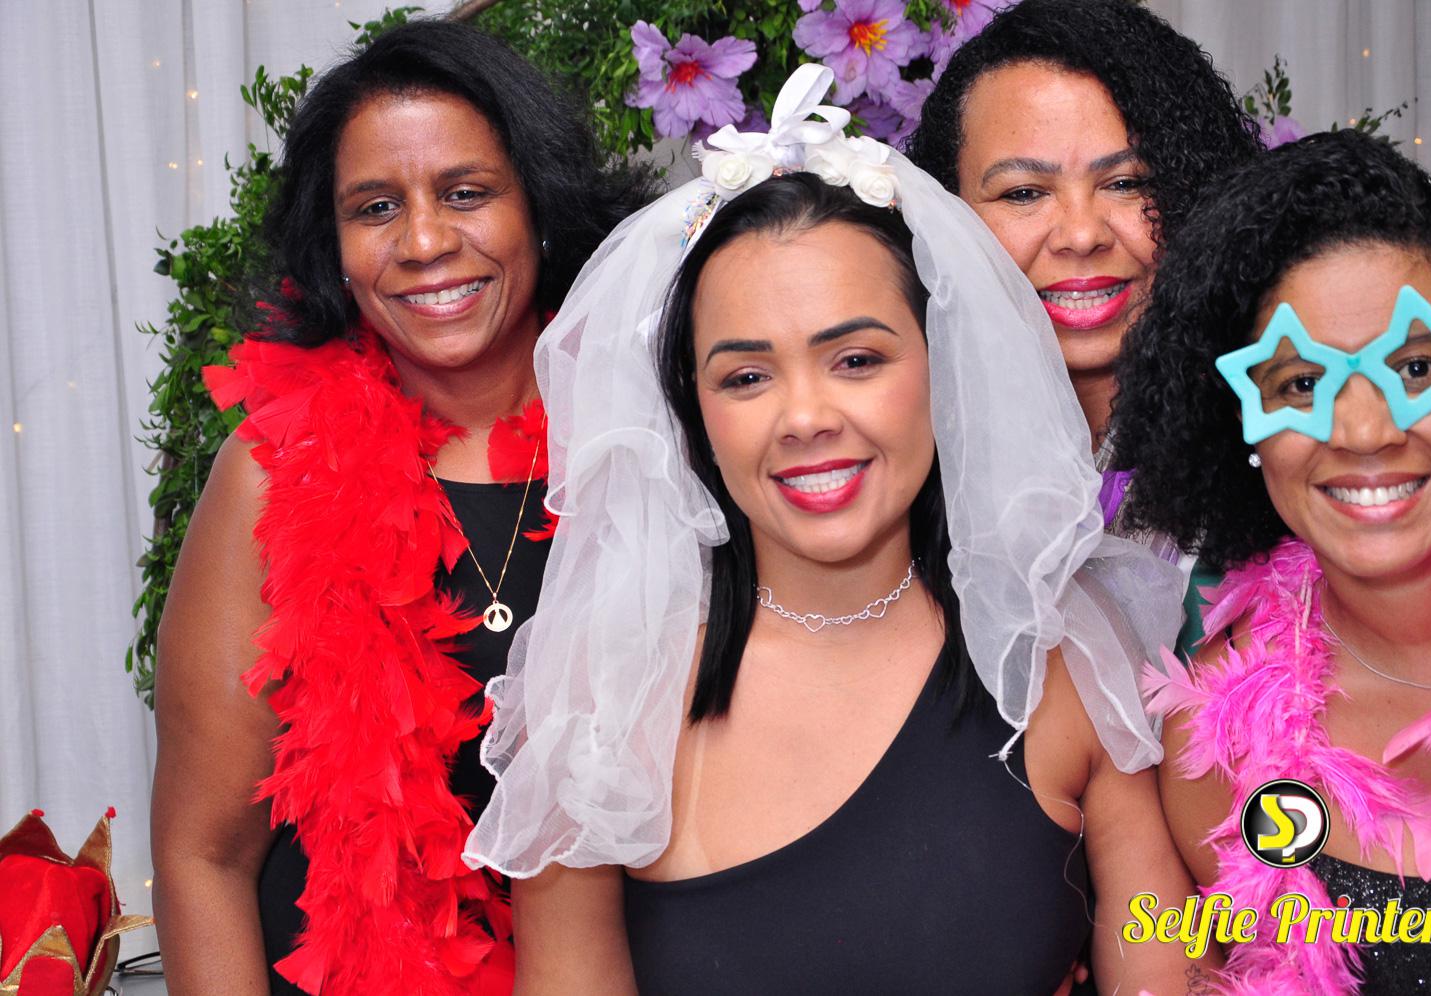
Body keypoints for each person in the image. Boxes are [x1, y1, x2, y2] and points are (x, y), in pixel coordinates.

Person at [464, 66, 1211, 995]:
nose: (806, 417)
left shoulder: (1067, 661)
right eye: (746, 377)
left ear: (942, 367)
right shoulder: (605, 707)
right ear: (694, 415)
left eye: (856, 359)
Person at [149, 21, 653, 996]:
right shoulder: (271, 471)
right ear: (333, 246)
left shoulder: (651, 437)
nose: (424, 242)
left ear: (539, 205)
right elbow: (202, 858)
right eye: (376, 207)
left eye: (466, 193)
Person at [1111, 129, 1431, 992]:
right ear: (1243, 417)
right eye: (1302, 384)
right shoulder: (1213, 750)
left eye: (1417, 367)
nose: (1362, 431)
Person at [906, 0, 1260, 457]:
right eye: (1024, 193)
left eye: (1126, 184)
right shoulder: (903, 459)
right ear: (946, 212)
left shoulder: (1284, 442)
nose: (1082, 236)